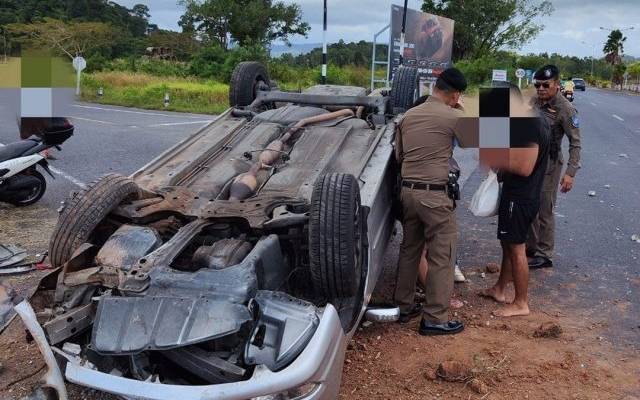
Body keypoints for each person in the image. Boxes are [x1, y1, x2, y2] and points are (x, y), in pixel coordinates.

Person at [393, 67, 468, 335]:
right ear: (455, 94)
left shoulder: (408, 116)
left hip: (408, 193)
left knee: (410, 248)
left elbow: (400, 156)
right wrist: (463, 110)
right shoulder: (452, 116)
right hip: (435, 195)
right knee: (442, 254)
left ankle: (403, 307)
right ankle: (435, 318)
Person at [480, 85, 550, 317]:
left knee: (517, 249)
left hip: (520, 198)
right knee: (508, 244)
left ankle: (521, 302)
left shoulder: (530, 126)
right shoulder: (532, 119)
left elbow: (523, 167)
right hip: (521, 195)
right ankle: (500, 288)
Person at [527, 65, 582, 269]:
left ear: (557, 85)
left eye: (545, 85)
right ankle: (531, 247)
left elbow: (575, 143)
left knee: (544, 208)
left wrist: (570, 173)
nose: (540, 89)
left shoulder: (565, 108)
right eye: (537, 84)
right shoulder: (533, 101)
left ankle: (544, 253)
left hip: (550, 164)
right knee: (529, 205)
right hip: (529, 160)